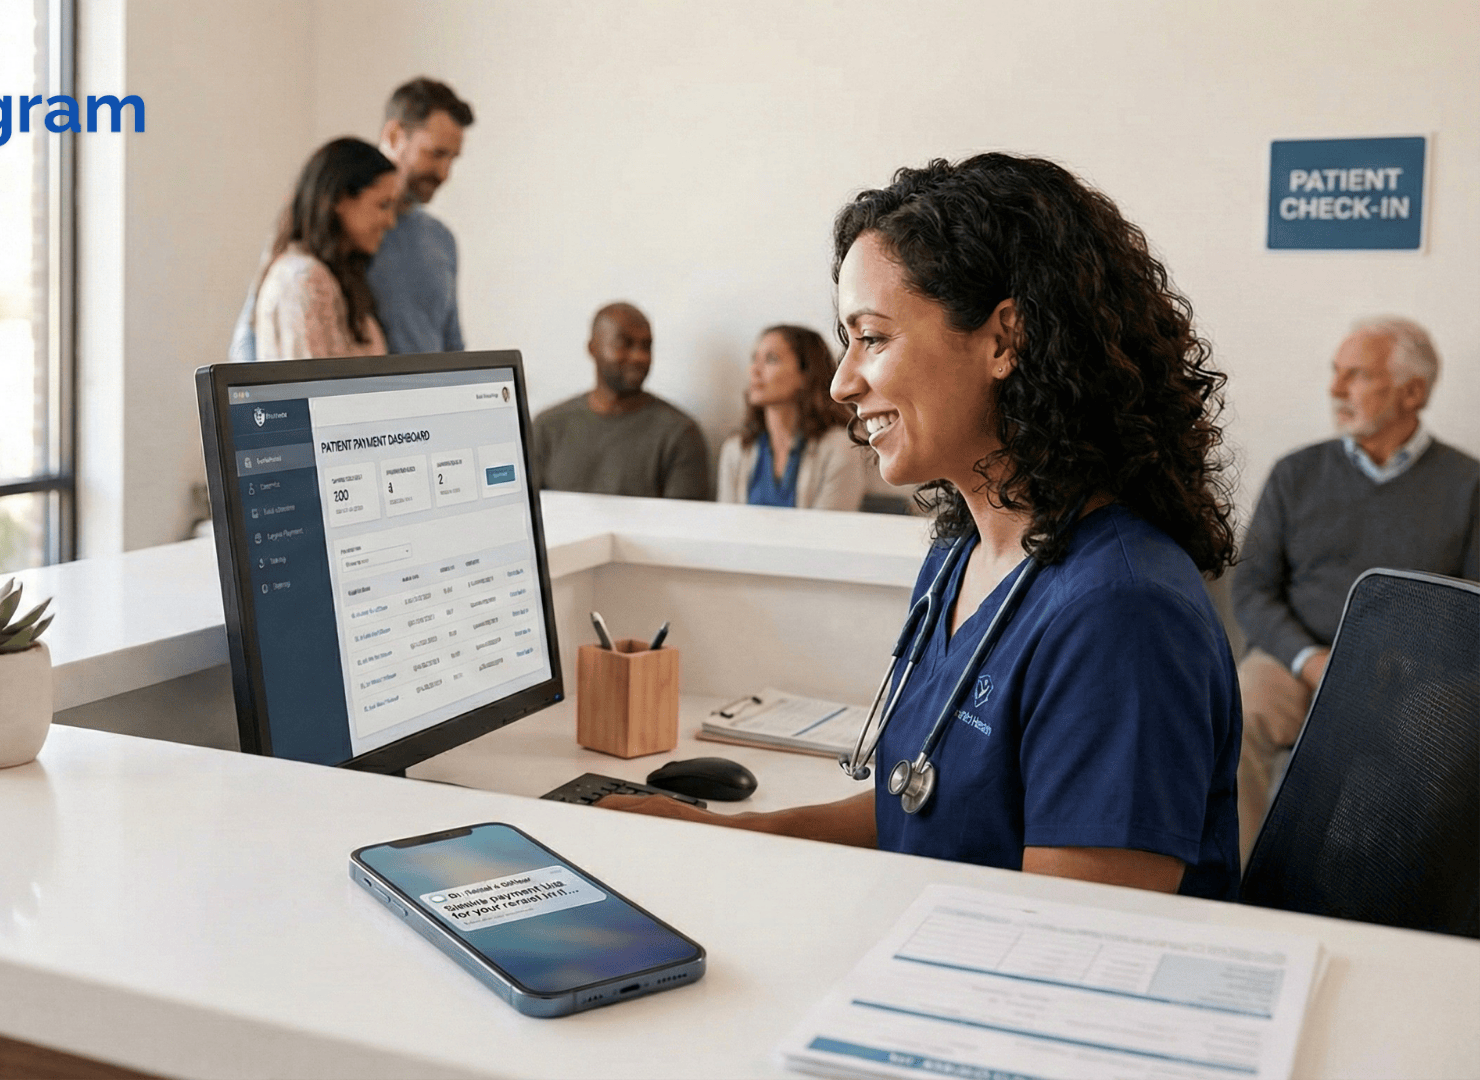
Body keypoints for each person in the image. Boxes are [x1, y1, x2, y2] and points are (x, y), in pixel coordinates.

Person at [602, 154, 1245, 899]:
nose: (842, 381)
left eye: (871, 338)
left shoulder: (1119, 616)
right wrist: (722, 836)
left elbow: (1073, 952)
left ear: (1004, 340)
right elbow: (921, 808)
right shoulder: (964, 555)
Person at [1230, 317, 1480, 860]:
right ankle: (1238, 892)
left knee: (1452, 739)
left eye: (1358, 375)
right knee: (1240, 711)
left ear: (1413, 391)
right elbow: (1250, 590)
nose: (1336, 390)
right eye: (1336, 373)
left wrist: (1412, 670)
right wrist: (1310, 660)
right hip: (1298, 661)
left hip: (1419, 674)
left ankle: (1412, 914)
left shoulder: (1468, 485)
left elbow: (1472, 611)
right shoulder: (1296, 473)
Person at [231, 78, 473, 361]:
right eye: (436, 154)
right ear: (394, 135)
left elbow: (453, 347)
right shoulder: (316, 255)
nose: (444, 173)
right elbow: (252, 338)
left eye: (453, 159)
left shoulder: (440, 240)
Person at [532, 303, 712, 500]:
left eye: (646, 346)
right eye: (624, 344)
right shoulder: (547, 427)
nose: (639, 357)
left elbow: (685, 526)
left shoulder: (680, 434)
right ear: (592, 348)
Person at [251, 138, 401, 359]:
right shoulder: (303, 278)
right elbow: (314, 390)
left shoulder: (336, 278)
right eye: (382, 205)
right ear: (339, 199)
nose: (391, 221)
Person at [716, 325, 879, 510]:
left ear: (806, 375)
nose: (755, 370)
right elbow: (727, 528)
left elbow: (829, 532)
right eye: (754, 359)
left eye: (771, 359)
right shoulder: (736, 448)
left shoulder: (839, 448)